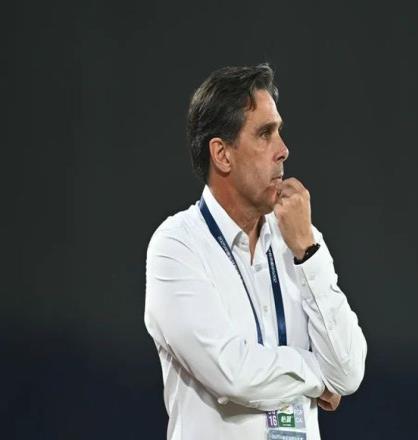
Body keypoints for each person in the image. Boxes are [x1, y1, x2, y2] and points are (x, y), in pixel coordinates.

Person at [144, 63, 367, 440]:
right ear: (222, 154)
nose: (283, 150)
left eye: (279, 132)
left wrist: (307, 252)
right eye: (265, 134)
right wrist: (318, 376)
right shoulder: (177, 246)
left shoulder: (300, 239)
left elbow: (348, 372)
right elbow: (231, 372)